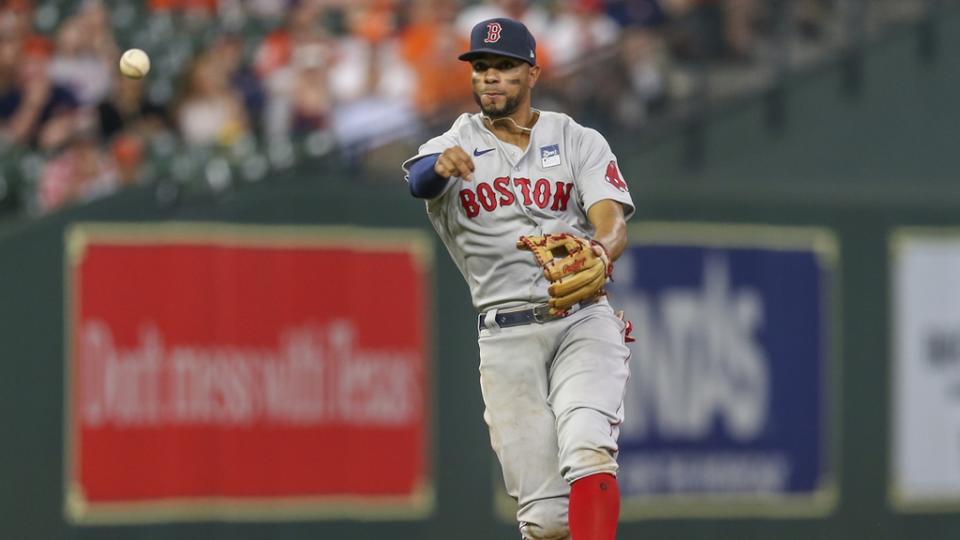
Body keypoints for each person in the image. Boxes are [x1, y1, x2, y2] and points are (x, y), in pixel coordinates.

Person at [401, 18, 634, 540]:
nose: (490, 78)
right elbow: (418, 180)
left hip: (581, 319)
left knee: (588, 447)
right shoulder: (453, 141)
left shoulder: (576, 138)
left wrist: (599, 248)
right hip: (506, 335)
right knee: (547, 519)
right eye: (481, 67)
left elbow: (611, 219)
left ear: (532, 72)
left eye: (504, 67)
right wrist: (441, 165)